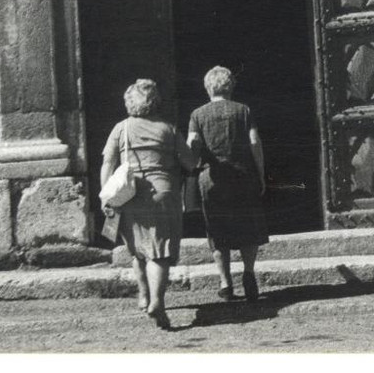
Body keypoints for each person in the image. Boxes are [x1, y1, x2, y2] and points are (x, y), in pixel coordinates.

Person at [101, 78, 198, 331]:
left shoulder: (120, 129)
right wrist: (193, 147)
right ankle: (158, 302)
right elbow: (190, 163)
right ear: (155, 101)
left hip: (130, 194)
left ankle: (143, 296)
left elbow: (107, 164)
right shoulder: (167, 128)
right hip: (163, 193)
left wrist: (106, 195)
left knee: (139, 250)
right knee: (160, 252)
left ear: (129, 103)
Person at [186, 65, 268, 302]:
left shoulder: (197, 114)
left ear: (208, 88)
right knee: (249, 227)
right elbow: (255, 142)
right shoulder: (243, 110)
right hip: (244, 176)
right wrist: (261, 173)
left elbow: (193, 143)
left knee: (217, 229)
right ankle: (249, 273)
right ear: (231, 86)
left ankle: (225, 282)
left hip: (212, 179)